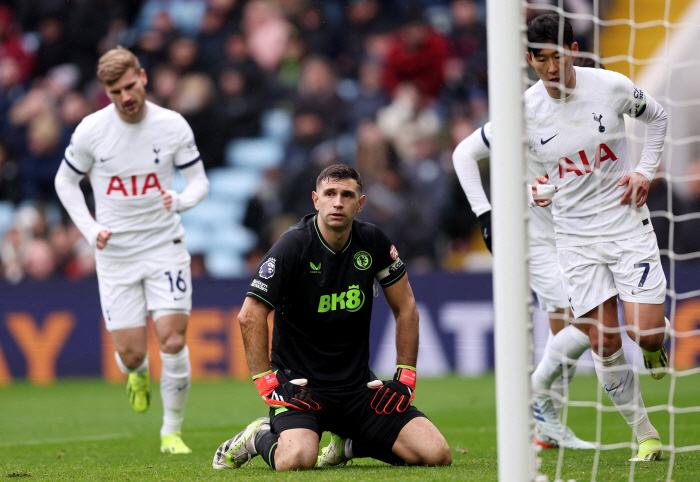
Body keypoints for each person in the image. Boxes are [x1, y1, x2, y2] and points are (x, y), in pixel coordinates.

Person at [212, 164, 452, 471]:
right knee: (297, 460)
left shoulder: (373, 241)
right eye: (330, 194)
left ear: (360, 203)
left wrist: (405, 377)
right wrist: (267, 383)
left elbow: (406, 308)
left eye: (347, 195)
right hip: (301, 388)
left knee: (436, 454)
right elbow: (250, 315)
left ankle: (350, 443)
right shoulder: (293, 245)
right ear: (316, 200)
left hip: (358, 390)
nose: (338, 202)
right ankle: (257, 435)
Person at [526, 13, 670, 462]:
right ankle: (646, 435)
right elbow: (529, 172)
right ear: (531, 59)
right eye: (543, 58)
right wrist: (536, 192)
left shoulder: (609, 86)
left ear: (573, 51)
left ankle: (654, 347)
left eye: (560, 55)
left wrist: (645, 171)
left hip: (626, 222)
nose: (553, 67)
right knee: (603, 341)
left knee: (644, 336)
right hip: (575, 238)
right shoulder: (524, 113)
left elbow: (659, 117)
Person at [54, 46, 209, 454]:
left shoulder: (172, 125)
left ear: (142, 76)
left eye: (129, 85)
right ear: (105, 92)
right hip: (116, 253)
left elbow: (199, 182)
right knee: (130, 351)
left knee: (173, 340)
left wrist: (180, 200)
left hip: (164, 245)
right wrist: (89, 228)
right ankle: (136, 371)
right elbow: (65, 182)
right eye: (114, 91)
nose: (125, 96)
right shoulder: (91, 130)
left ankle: (170, 431)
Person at [453, 120, 592, 450]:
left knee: (565, 331)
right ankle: (535, 393)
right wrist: (485, 215)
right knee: (586, 321)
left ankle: (547, 426)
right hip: (536, 240)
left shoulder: (601, 116)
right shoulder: (528, 112)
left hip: (580, 237)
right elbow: (463, 154)